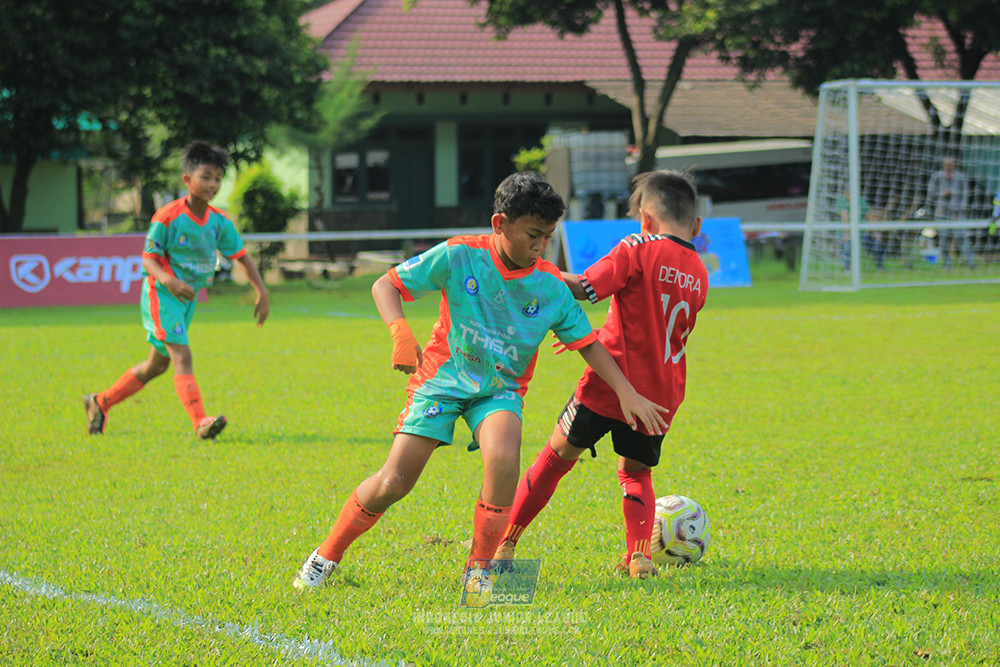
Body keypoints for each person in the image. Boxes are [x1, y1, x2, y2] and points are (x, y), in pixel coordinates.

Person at [292, 172, 669, 592]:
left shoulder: (550, 286)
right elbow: (386, 284)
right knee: (393, 482)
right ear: (499, 224)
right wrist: (400, 331)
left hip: (498, 391)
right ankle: (326, 556)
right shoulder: (459, 255)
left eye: (547, 236)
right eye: (532, 234)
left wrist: (627, 392)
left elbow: (589, 345)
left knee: (504, 458)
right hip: (442, 381)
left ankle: (479, 569)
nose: (540, 246)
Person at [491, 170, 708, 580]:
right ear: (696, 225)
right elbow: (650, 322)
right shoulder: (699, 271)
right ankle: (640, 557)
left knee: (555, 459)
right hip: (662, 392)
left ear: (644, 220)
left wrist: (538, 265)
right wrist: (592, 335)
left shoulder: (637, 246)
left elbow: (585, 287)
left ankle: (506, 543)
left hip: (610, 384)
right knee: (637, 472)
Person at [83, 141, 270, 439]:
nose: (213, 184)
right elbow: (148, 259)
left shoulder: (219, 221)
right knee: (182, 355)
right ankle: (200, 423)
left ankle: (99, 402)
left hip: (186, 299)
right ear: (187, 180)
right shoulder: (168, 216)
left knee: (157, 366)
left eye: (218, 178)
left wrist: (262, 291)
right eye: (206, 176)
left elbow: (241, 255)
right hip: (162, 294)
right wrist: (169, 281)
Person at [927, 154, 971, 268]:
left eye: (951, 163)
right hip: (942, 212)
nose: (949, 166)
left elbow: (965, 194)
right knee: (944, 239)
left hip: (957, 212)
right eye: (947, 163)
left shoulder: (960, 177)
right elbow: (931, 193)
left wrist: (962, 209)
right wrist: (942, 193)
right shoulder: (936, 176)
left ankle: (970, 262)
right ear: (943, 164)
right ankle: (947, 263)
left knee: (961, 236)